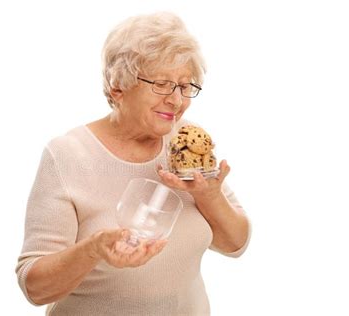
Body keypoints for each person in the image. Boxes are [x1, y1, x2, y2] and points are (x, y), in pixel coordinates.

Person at [16, 11, 251, 316]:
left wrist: (209, 194)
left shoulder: (184, 145)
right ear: (118, 87)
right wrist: (93, 250)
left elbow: (236, 245)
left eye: (185, 86)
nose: (176, 100)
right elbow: (34, 287)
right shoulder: (68, 156)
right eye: (162, 84)